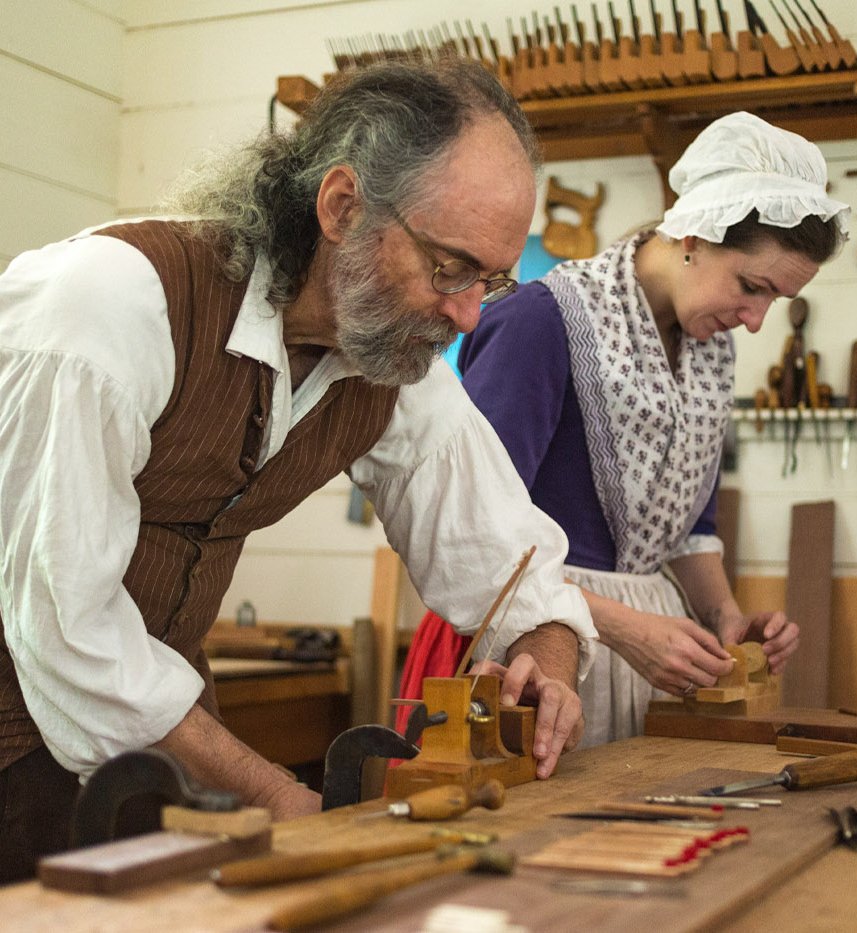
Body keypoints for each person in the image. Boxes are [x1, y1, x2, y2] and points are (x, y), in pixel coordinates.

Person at [0, 59, 599, 883]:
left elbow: (513, 560)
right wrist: (280, 796)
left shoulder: (394, 370)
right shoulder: (108, 306)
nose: (466, 314)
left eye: (490, 282)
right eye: (449, 266)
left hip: (145, 733)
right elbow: (67, 623)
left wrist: (549, 659)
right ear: (342, 206)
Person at [398, 111, 849, 748]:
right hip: (527, 650)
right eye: (752, 287)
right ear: (695, 234)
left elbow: (690, 526)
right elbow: (475, 533)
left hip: (650, 653)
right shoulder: (541, 323)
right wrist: (629, 628)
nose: (754, 320)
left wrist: (725, 619)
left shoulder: (709, 353)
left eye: (773, 299)